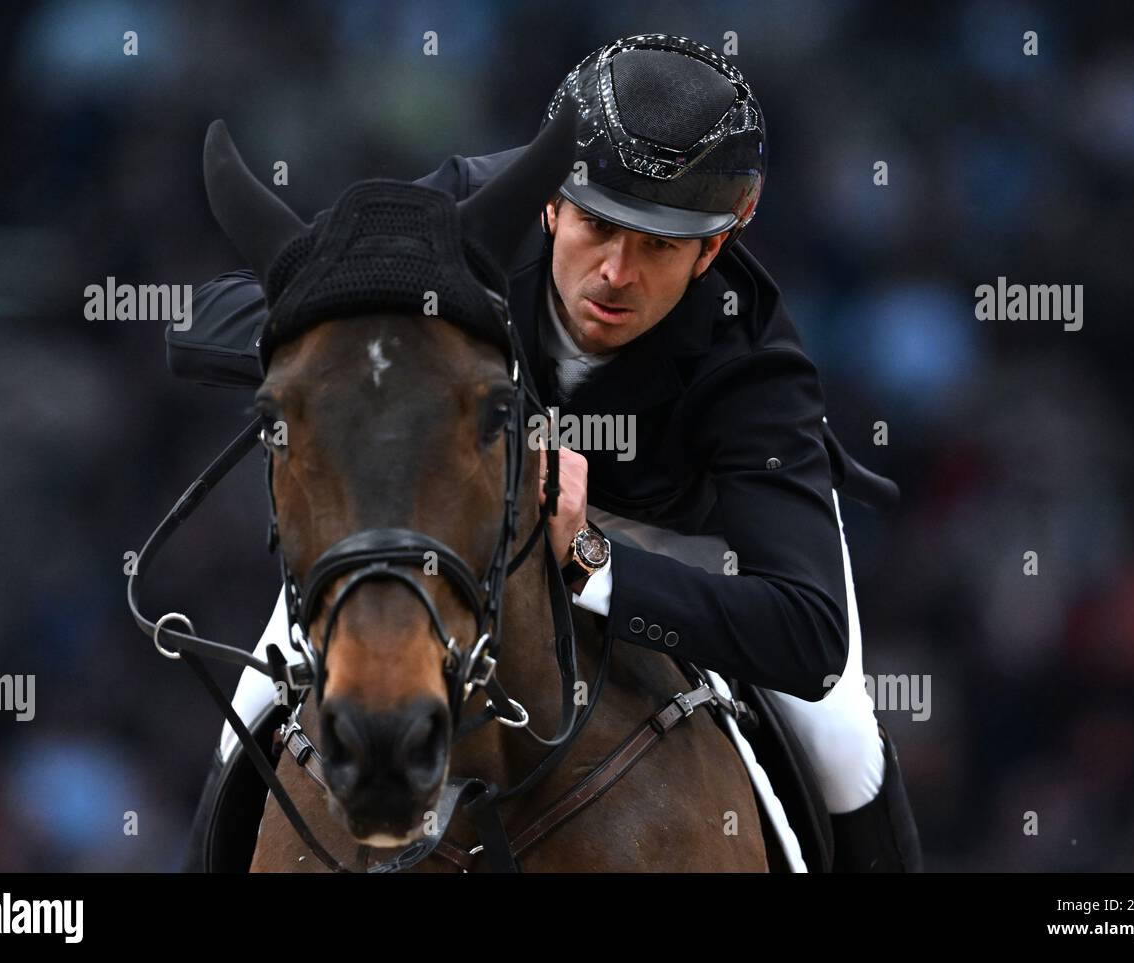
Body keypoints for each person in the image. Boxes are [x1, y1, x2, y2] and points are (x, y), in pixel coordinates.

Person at [176, 33, 921, 872]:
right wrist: (351, 344)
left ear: (714, 249)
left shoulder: (748, 360)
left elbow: (809, 634)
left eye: (661, 246)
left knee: (841, 740)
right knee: (251, 710)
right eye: (598, 226)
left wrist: (591, 559)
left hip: (690, 544)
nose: (615, 273)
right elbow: (219, 315)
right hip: (452, 517)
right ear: (551, 204)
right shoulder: (466, 218)